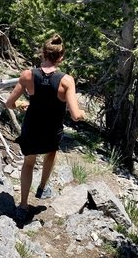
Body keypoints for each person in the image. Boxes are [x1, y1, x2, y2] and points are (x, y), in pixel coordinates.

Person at [5, 33, 85, 222]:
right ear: (61, 58)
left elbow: (9, 103)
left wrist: (20, 105)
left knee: (28, 163)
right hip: (52, 129)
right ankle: (42, 187)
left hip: (32, 127)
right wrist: (82, 113)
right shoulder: (66, 81)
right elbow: (75, 114)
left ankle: (23, 205)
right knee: (51, 152)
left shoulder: (27, 75)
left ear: (42, 53)